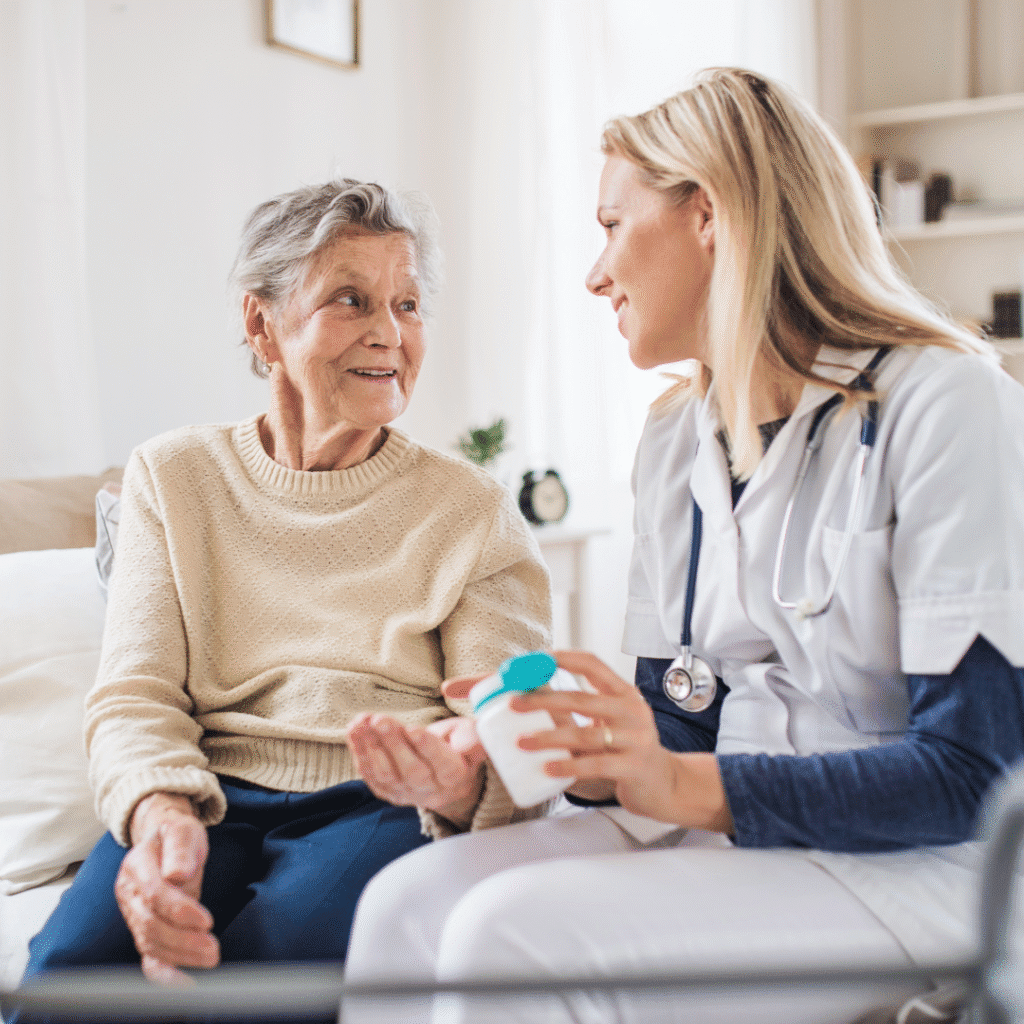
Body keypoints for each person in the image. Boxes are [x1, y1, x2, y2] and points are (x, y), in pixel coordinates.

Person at [342, 68, 1024, 1024]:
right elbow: (681, 720)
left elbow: (972, 773)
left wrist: (676, 781)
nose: (594, 271)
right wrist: (523, 751)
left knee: (513, 937)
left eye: (612, 225)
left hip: (914, 867)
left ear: (708, 213)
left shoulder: (947, 403)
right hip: (725, 824)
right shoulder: (676, 440)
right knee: (408, 904)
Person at [11, 178, 551, 1023]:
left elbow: (512, 727)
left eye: (407, 304)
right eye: (351, 299)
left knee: (267, 980)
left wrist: (460, 773)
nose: (389, 333)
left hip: (378, 804)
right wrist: (159, 814)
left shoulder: (471, 510)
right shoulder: (173, 476)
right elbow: (135, 694)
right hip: (209, 791)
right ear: (261, 324)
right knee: (65, 977)